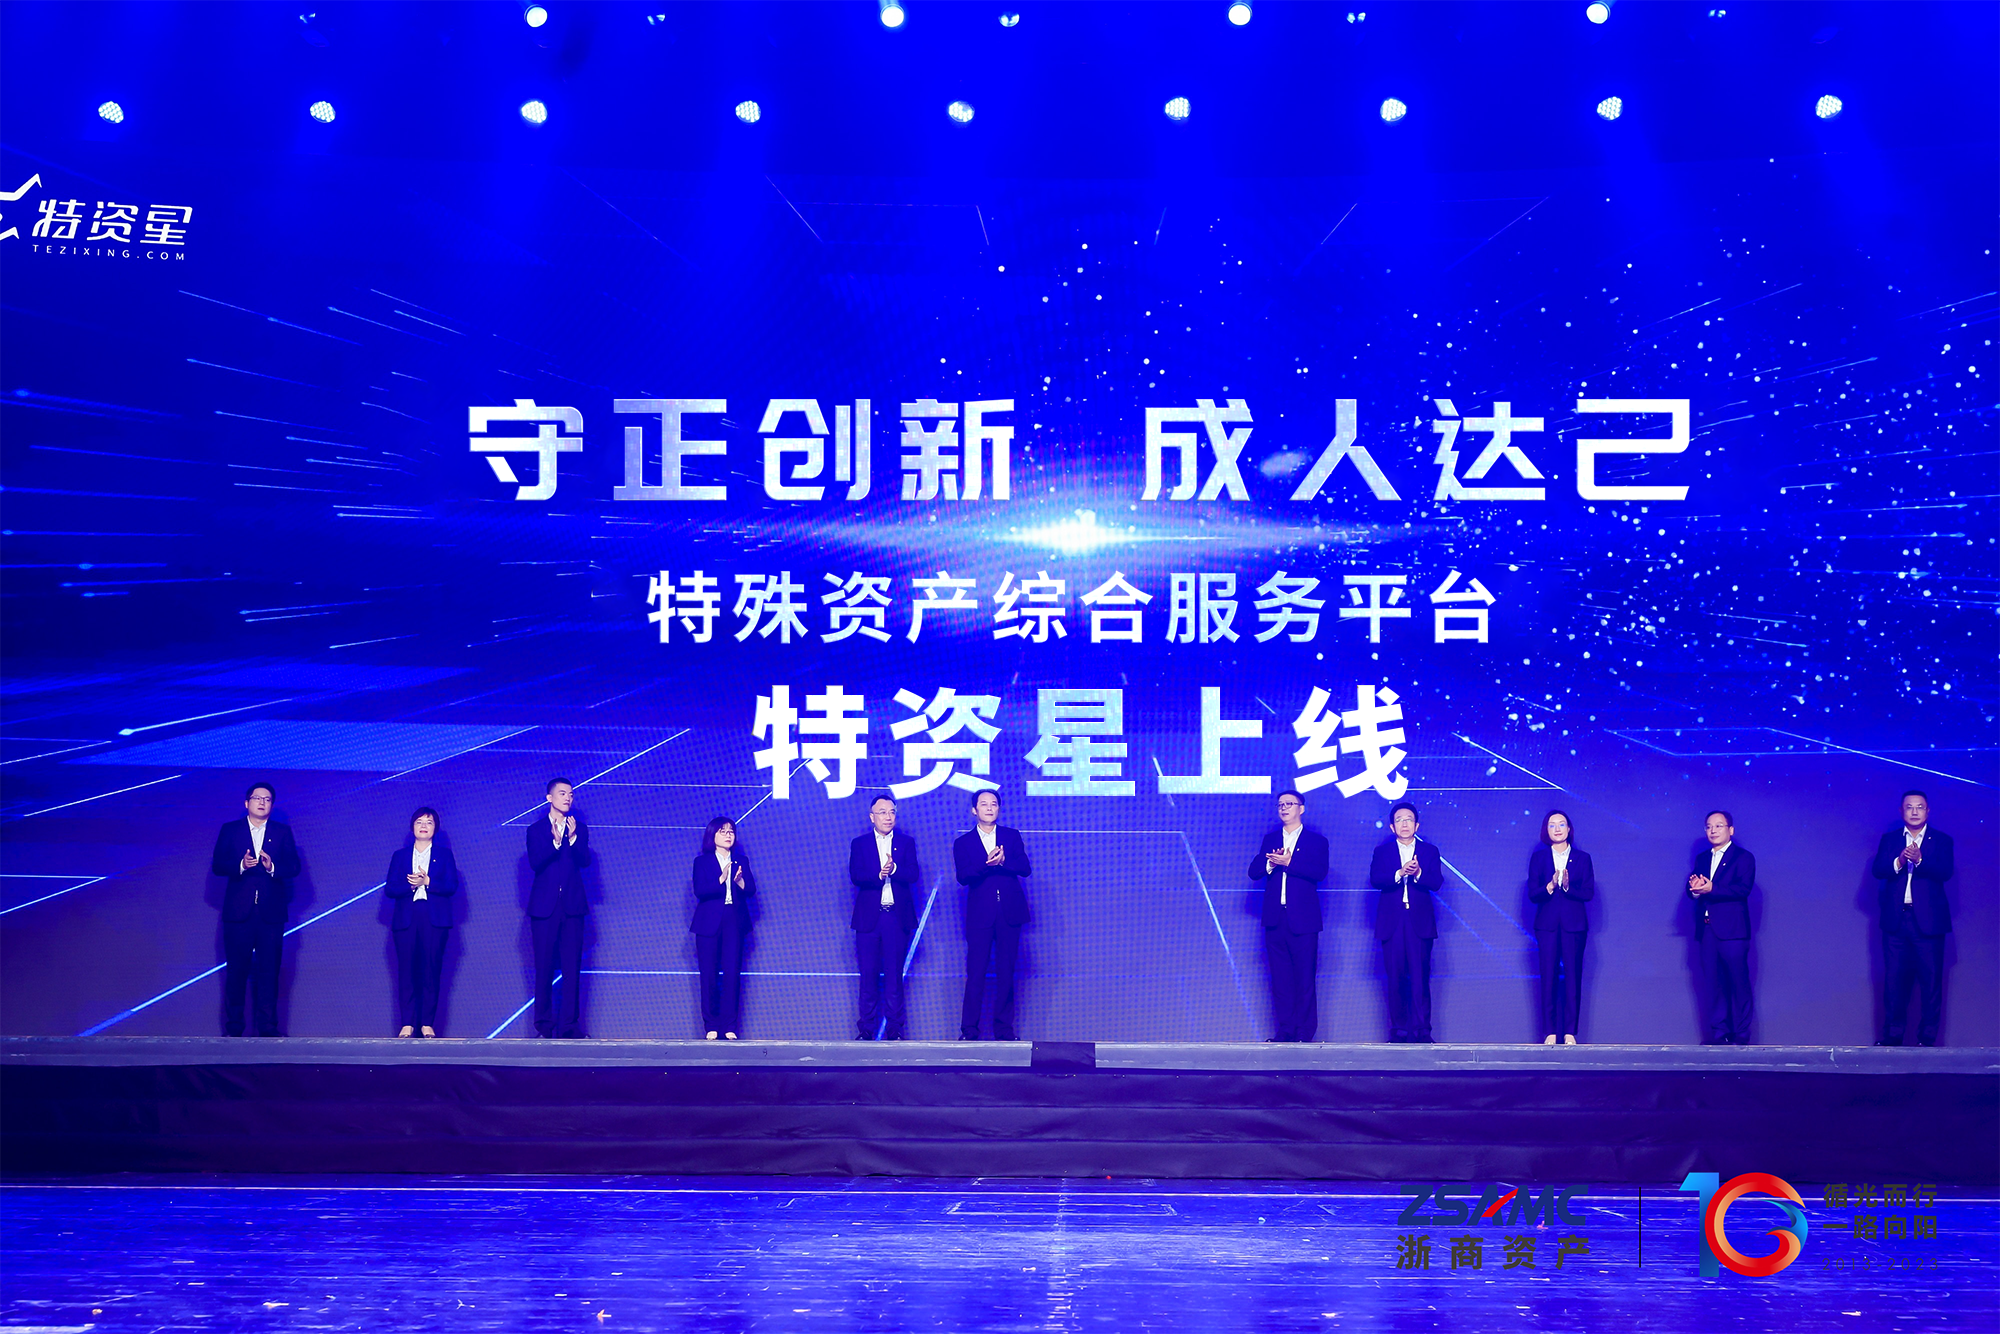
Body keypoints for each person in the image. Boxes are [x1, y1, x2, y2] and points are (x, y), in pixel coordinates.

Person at [208, 781, 301, 1037]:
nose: (262, 802)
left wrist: (273, 867)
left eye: (267, 799)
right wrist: (240, 865)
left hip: (270, 915)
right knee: (236, 971)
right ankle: (234, 1027)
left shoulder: (282, 832)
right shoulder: (231, 830)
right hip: (239, 914)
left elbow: (294, 867)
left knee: (269, 971)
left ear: (272, 805)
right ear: (246, 802)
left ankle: (268, 1028)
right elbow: (217, 865)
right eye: (258, 798)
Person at [1869, 790, 1956, 1047]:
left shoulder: (1942, 840)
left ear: (1928, 811)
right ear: (1901, 811)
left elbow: (1946, 872)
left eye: (1920, 807)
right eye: (1909, 807)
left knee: (1931, 982)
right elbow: (1878, 870)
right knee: (1894, 981)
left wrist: (1920, 860)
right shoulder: (1890, 839)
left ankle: (1927, 1038)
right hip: (1897, 921)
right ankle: (1893, 1036)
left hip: (1929, 923)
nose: (1914, 811)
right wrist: (1898, 861)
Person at [1247, 789, 1330, 1042]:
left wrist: (1289, 863)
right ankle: (1285, 1030)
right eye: (1280, 804)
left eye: (1289, 804)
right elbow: (1254, 871)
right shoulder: (1271, 839)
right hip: (1275, 919)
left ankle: (1305, 1031)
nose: (1284, 808)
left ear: (1301, 809)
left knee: (1304, 978)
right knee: (1280, 979)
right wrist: (1271, 863)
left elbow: (1319, 872)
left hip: (1304, 921)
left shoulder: (1316, 841)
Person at [953, 790, 1033, 1040]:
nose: (989, 808)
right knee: (976, 973)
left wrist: (1004, 861)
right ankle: (969, 1030)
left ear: (999, 809)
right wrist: (987, 864)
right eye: (984, 804)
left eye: (994, 804)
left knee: (1006, 973)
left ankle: (1004, 1030)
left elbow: (1025, 868)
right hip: (980, 916)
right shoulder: (963, 842)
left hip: (1009, 913)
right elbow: (963, 876)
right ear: (974, 810)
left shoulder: (1011, 836)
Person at [1370, 801, 1443, 1043]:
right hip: (1392, 923)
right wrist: (1400, 873)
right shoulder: (1382, 852)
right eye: (1399, 820)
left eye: (1409, 819)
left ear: (1417, 825)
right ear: (1392, 827)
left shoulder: (1429, 851)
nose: (1404, 823)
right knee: (1396, 978)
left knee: (1420, 978)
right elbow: (1375, 879)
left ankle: (1423, 1031)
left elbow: (1437, 882)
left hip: (1419, 923)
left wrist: (1418, 873)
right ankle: (1399, 1031)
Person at [848, 794, 920, 1040]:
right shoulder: (860, 844)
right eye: (882, 812)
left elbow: (913, 874)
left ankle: (895, 1029)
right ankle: (866, 1029)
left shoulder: (906, 842)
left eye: (892, 812)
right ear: (872, 817)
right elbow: (856, 876)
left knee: (894, 976)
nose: (888, 817)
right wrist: (879, 875)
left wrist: (894, 869)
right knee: (868, 975)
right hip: (869, 919)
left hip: (895, 918)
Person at [385, 806, 457, 1038]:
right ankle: (407, 1023)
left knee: (430, 970)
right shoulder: (400, 856)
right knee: (406, 971)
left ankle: (427, 1023)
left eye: (429, 822)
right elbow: (390, 889)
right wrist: (411, 885)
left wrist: (427, 882)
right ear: (412, 827)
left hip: (434, 919)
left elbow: (451, 886)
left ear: (435, 828)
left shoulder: (444, 855)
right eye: (419, 822)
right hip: (407, 918)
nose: (424, 826)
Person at [527, 777, 590, 1039]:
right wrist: (554, 843)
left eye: (571, 794)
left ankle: (569, 1026)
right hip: (544, 909)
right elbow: (536, 863)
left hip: (572, 908)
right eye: (562, 793)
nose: (568, 798)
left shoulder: (579, 828)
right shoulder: (535, 829)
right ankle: (544, 1026)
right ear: (549, 798)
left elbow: (585, 861)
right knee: (544, 968)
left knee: (571, 968)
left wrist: (573, 838)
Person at [1688, 809, 1756, 1045]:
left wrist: (1712, 889)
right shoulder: (1702, 858)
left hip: (1733, 932)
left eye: (1718, 826)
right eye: (1708, 826)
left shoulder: (1743, 857)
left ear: (1731, 830)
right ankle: (1720, 1034)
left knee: (1738, 982)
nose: (1713, 830)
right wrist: (1696, 890)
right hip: (1707, 931)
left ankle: (1742, 1034)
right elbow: (1692, 889)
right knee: (1713, 984)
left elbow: (1743, 889)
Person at [1527, 810, 1594, 1045]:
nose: (1557, 829)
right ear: (1546, 830)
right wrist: (1549, 887)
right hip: (1546, 926)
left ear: (1569, 829)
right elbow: (1532, 894)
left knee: (1573, 977)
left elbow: (1588, 892)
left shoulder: (1582, 858)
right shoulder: (1539, 858)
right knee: (1548, 977)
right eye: (1552, 825)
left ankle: (1569, 1033)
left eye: (1561, 824)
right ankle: (1549, 1032)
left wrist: (1567, 887)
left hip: (1574, 926)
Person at [691, 816, 755, 1040]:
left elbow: (751, 890)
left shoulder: (741, 861)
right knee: (709, 975)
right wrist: (721, 878)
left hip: (733, 921)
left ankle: (729, 1026)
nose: (728, 835)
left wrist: (739, 882)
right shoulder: (702, 862)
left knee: (732, 974)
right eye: (723, 831)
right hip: (708, 923)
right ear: (713, 835)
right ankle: (711, 1025)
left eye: (731, 832)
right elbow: (700, 891)